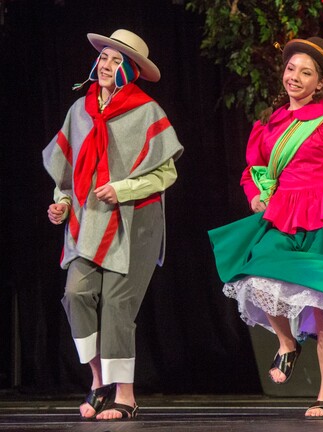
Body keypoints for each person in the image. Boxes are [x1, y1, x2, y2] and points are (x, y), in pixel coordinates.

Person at [208, 36, 323, 419]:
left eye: (306, 72)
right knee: (255, 274)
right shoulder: (269, 122)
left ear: (320, 83)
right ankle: (287, 343)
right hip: (282, 214)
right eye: (290, 68)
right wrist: (255, 195)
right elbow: (254, 171)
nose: (294, 77)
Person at [43, 29, 184, 420]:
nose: (106, 65)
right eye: (104, 57)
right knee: (76, 293)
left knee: (119, 305)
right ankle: (98, 379)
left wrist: (122, 189)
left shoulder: (147, 112)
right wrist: (63, 202)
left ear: (132, 70)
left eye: (116, 60)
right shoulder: (79, 111)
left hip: (136, 218)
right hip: (90, 220)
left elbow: (166, 173)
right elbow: (67, 173)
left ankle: (125, 395)